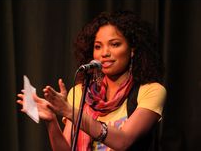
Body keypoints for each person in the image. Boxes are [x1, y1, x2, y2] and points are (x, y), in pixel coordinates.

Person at [17, 10, 166, 151]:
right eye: (98, 46)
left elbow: (123, 141)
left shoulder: (151, 91)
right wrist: (51, 121)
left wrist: (71, 112)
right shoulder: (81, 92)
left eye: (114, 44)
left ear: (132, 49)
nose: (105, 53)